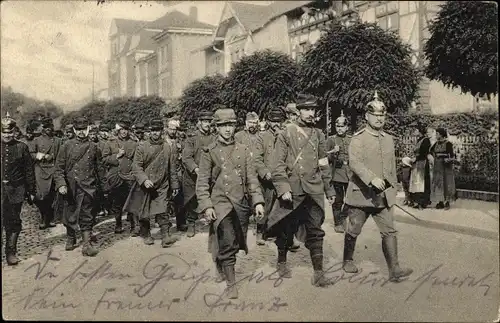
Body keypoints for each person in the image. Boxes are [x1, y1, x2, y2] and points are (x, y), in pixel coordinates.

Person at [342, 91, 413, 283]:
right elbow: (355, 163)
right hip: (361, 194)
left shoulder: (389, 139)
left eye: (382, 115)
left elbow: (389, 168)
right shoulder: (358, 138)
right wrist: (371, 178)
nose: (379, 118)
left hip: (383, 197)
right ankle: (347, 259)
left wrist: (395, 189)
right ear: (367, 116)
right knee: (354, 229)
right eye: (375, 115)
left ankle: (394, 269)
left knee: (389, 230)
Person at [196, 108, 265, 299]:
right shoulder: (209, 151)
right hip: (220, 203)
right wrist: (207, 205)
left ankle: (221, 262)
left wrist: (258, 201)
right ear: (216, 128)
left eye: (231, 125)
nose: (228, 129)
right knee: (227, 240)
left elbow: (252, 179)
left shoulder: (244, 150)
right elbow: (202, 182)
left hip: (240, 203)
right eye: (223, 126)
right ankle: (231, 284)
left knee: (235, 241)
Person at [267, 94, 335, 286]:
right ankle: (281, 261)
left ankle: (319, 273)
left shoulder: (319, 135)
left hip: (313, 190)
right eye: (306, 109)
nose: (310, 113)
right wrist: (283, 188)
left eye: (313, 109)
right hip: (292, 190)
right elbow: (277, 164)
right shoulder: (285, 133)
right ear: (298, 111)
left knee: (315, 229)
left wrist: (329, 190)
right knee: (286, 228)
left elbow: (323, 164)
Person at [123, 119, 180, 246]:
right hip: (146, 185)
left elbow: (172, 168)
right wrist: (144, 179)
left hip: (162, 184)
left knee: (163, 209)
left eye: (158, 130)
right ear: (149, 132)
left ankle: (165, 236)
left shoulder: (167, 147)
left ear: (162, 131)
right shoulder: (142, 147)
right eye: (153, 130)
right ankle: (146, 234)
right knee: (145, 211)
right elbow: (136, 167)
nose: (155, 133)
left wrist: (175, 184)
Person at [54, 116, 102, 257]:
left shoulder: (94, 147)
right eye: (78, 129)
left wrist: (104, 187)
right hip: (70, 186)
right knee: (70, 213)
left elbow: (99, 168)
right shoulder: (66, 146)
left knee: (87, 214)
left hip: (88, 186)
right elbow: (59, 168)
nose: (81, 132)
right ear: (75, 130)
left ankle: (86, 245)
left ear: (88, 129)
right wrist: (61, 184)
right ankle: (71, 237)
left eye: (84, 129)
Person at [1, 113, 36, 265]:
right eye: (4, 132)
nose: (7, 135)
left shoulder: (22, 147)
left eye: (10, 132)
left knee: (13, 221)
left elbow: (28, 170)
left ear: (14, 131)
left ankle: (11, 252)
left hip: (16, 190)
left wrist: (31, 191)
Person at [181, 110, 216, 237]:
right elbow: (186, 157)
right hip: (193, 176)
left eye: (209, 122)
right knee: (192, 200)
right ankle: (191, 224)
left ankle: (212, 222)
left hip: (209, 175)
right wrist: (195, 169)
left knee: (211, 197)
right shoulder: (192, 139)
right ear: (199, 123)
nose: (207, 124)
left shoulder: (214, 138)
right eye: (205, 121)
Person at [101, 117, 138, 234]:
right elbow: (104, 159)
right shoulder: (110, 142)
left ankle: (134, 225)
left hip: (130, 175)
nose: (124, 132)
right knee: (117, 201)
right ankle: (118, 223)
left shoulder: (133, 143)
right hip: (115, 176)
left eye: (126, 129)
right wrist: (116, 156)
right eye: (122, 129)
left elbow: (138, 159)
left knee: (131, 200)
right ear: (118, 130)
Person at [31, 117, 62, 229]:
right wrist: (43, 156)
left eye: (50, 127)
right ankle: (43, 215)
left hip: (53, 170)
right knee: (40, 197)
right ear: (42, 129)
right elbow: (31, 154)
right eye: (46, 127)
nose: (48, 130)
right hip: (40, 170)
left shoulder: (58, 140)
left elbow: (61, 156)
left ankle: (50, 217)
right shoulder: (37, 140)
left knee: (52, 196)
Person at [326, 110, 352, 233]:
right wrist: (333, 153)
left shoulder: (351, 140)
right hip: (337, 174)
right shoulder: (331, 140)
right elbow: (325, 158)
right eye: (338, 126)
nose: (340, 129)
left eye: (342, 126)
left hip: (350, 174)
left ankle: (343, 217)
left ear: (347, 127)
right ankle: (338, 223)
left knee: (351, 200)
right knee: (338, 200)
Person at [164, 118, 187, 232]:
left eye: (175, 129)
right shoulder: (163, 141)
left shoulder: (179, 142)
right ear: (167, 128)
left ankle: (181, 222)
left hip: (177, 172)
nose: (173, 131)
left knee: (179, 197)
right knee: (165, 199)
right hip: (164, 172)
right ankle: (165, 222)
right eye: (171, 129)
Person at [430, 127, 456, 210]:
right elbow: (431, 151)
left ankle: (447, 202)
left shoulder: (448, 144)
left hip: (446, 167)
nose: (436, 135)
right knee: (438, 183)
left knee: (446, 183)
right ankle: (440, 201)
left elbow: (451, 155)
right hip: (437, 166)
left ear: (441, 135)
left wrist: (442, 155)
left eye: (437, 134)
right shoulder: (436, 144)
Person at [408, 126, 432, 209]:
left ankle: (422, 202)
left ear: (420, 131)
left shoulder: (426, 140)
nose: (415, 131)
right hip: (417, 163)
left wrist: (416, 158)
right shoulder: (418, 140)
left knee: (422, 183)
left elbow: (424, 152)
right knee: (416, 183)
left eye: (416, 130)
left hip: (422, 163)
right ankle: (417, 201)